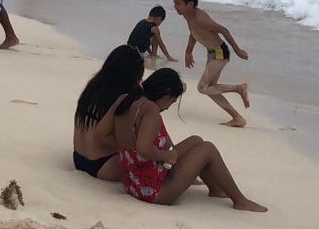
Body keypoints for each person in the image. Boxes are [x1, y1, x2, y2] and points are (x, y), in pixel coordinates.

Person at [111, 68, 267, 212]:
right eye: (171, 102)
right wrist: (167, 156)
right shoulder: (151, 111)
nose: (168, 107)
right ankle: (239, 200)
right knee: (208, 148)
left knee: (196, 140)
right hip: (152, 190)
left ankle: (215, 189)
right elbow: (144, 149)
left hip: (132, 181)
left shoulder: (128, 99)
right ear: (166, 95)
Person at [172, 0, 251, 127]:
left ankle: (239, 88)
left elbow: (223, 30)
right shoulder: (187, 16)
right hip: (212, 54)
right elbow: (193, 32)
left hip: (220, 53)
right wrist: (188, 51)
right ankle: (237, 118)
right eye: (174, 3)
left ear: (189, 4)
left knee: (202, 87)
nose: (175, 7)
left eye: (178, 3)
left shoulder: (201, 18)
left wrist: (238, 50)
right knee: (210, 89)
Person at [72, 45, 146, 182]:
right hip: (103, 164)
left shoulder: (93, 86)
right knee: (151, 161)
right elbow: (102, 137)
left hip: (78, 157)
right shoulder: (122, 97)